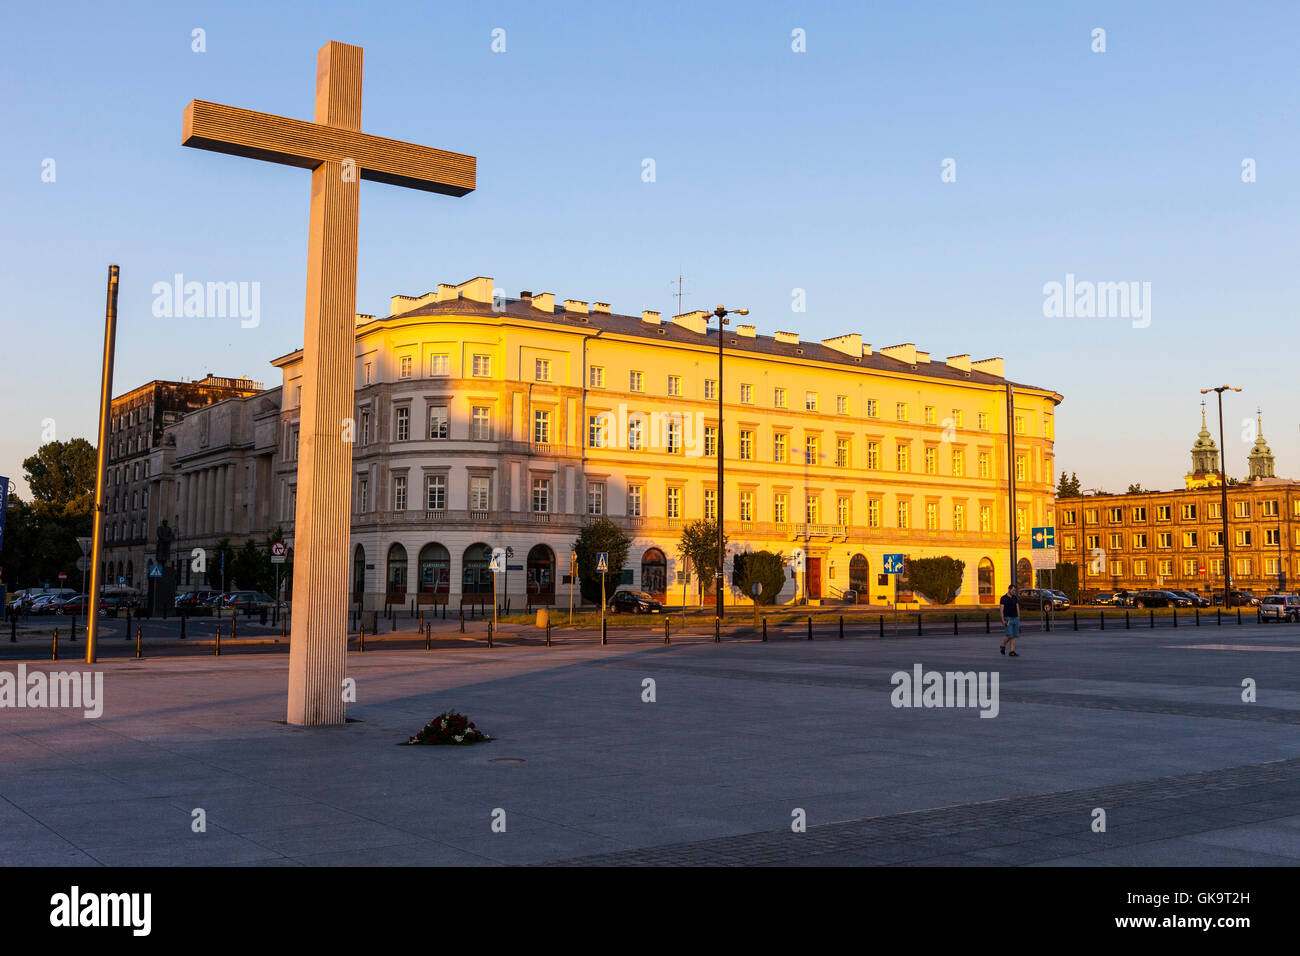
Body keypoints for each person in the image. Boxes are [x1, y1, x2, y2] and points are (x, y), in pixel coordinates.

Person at [999, 584, 1021, 656]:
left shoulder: (1015, 598)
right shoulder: (1003, 598)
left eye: (1015, 590)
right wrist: (1003, 620)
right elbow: (1001, 610)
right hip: (1008, 618)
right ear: (1009, 589)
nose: (1014, 592)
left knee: (1014, 635)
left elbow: (1017, 607)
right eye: (1013, 590)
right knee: (1009, 635)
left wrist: (1018, 617)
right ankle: (1003, 645)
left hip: (1015, 618)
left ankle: (1012, 651)